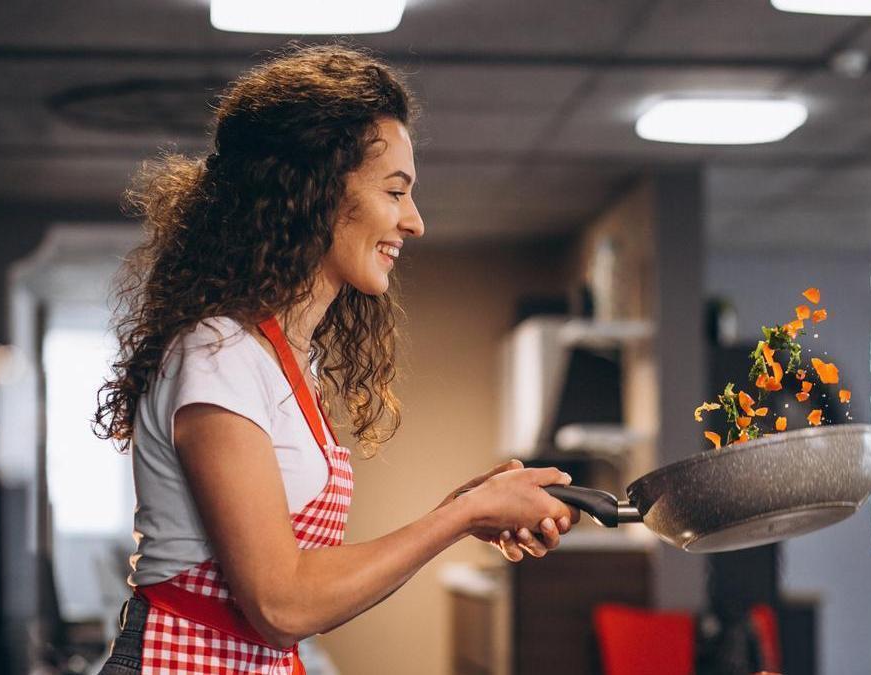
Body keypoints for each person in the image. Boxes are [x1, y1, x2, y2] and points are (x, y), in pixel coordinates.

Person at [92, 45, 578, 675]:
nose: (415, 222)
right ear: (314, 194)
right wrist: (464, 516)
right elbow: (281, 605)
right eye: (395, 192)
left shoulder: (285, 360)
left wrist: (466, 509)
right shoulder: (219, 355)